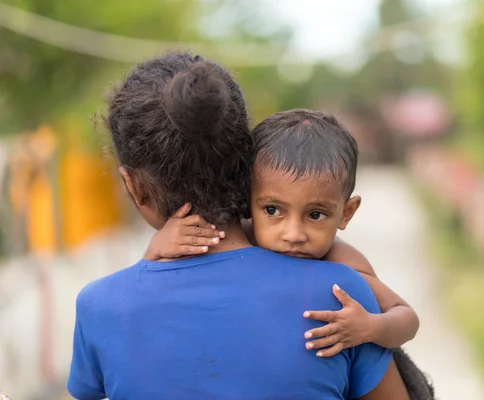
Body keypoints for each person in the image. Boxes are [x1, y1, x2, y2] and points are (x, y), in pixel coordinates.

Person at [67, 52, 409, 400]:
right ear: (245, 164)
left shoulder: (100, 307)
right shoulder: (341, 296)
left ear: (133, 186)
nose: (293, 234)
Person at [145, 109, 435, 398]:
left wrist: (370, 327)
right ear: (247, 202)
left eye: (316, 215)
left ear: (346, 213)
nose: (294, 234)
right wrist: (159, 245)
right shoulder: (235, 238)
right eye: (272, 210)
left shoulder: (342, 263)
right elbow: (152, 279)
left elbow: (407, 319)